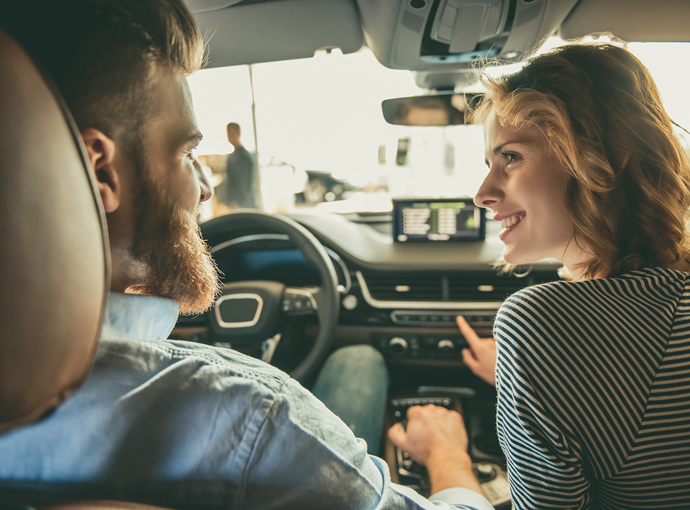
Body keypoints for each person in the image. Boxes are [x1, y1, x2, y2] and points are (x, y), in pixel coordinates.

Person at [0, 1, 491, 509]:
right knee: (358, 360)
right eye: (188, 153)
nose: (206, 188)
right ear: (100, 174)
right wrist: (447, 455)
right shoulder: (251, 418)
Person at [455, 42, 690, 509]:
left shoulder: (535, 324)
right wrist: (520, 378)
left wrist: (447, 458)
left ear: (608, 153)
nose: (482, 194)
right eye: (489, 165)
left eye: (512, 158)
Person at [224, 122, 259, 209]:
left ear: (239, 134)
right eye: (229, 134)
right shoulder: (232, 156)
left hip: (243, 205)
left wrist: (238, 204)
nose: (230, 137)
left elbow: (245, 184)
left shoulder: (244, 157)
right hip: (235, 204)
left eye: (232, 134)